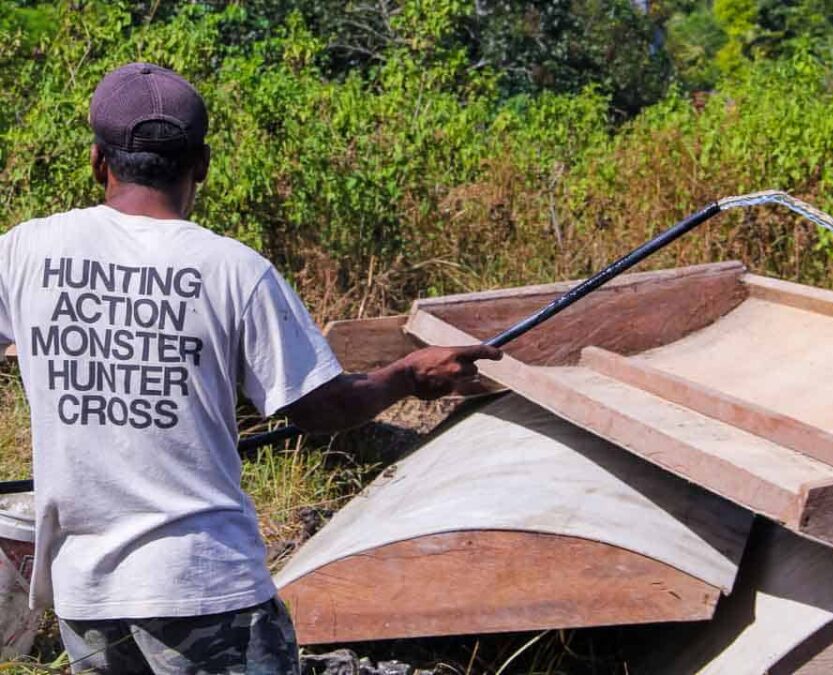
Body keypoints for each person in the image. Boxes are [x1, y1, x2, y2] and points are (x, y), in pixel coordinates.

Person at [0, 62, 501, 673]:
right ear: (202, 166)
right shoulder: (234, 270)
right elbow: (323, 410)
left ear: (98, 161)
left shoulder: (24, 252)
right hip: (207, 590)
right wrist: (411, 376)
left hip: (87, 597)